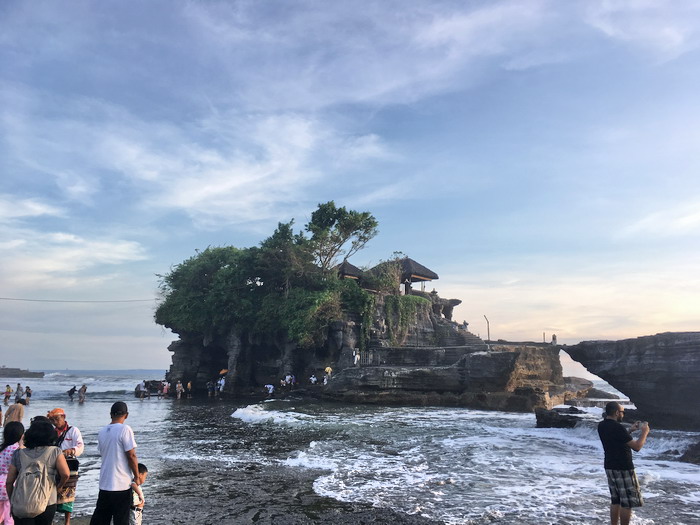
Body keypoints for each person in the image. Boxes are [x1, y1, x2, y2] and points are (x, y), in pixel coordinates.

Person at [6, 418, 70, 525]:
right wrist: (59, 487)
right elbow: (65, 474)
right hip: (48, 501)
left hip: (22, 501)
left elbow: (9, 481)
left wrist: (12, 499)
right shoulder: (55, 452)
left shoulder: (18, 454)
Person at [598, 401, 650, 525]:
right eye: (622, 412)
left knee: (615, 500)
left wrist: (630, 430)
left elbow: (616, 437)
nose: (623, 414)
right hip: (623, 467)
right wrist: (644, 433)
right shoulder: (618, 427)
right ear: (616, 412)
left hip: (610, 466)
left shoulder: (602, 425)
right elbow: (637, 447)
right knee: (627, 503)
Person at [90, 401, 138, 525]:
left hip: (105, 483)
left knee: (101, 519)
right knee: (121, 520)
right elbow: (131, 455)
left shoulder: (102, 432)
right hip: (121, 484)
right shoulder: (125, 429)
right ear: (126, 415)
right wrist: (137, 476)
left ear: (110, 414)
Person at [48, 409, 84, 525]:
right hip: (55, 465)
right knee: (52, 492)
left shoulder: (73, 430)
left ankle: (67, 521)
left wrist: (72, 450)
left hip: (70, 464)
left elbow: (80, 446)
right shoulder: (51, 432)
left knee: (69, 492)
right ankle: (51, 518)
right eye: (52, 420)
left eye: (57, 419)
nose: (55, 422)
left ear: (64, 417)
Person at [0, 421, 24, 525]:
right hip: (11, 483)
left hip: (0, 482)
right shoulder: (17, 449)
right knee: (10, 514)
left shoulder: (2, 448)